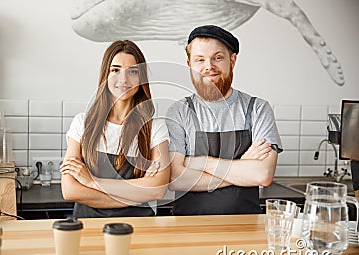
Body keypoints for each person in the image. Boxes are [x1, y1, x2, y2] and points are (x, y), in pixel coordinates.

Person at [166, 25, 283, 215]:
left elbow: (263, 175)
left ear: (232, 61)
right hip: (188, 228)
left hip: (245, 227)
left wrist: (200, 163)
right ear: (189, 64)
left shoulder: (258, 109)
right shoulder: (179, 112)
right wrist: (243, 166)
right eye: (200, 59)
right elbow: (175, 179)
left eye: (217, 58)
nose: (209, 66)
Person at [60, 40, 170, 218]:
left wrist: (92, 182)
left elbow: (158, 190)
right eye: (115, 70)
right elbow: (70, 191)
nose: (123, 79)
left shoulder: (155, 128)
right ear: (105, 75)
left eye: (132, 71)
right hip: (88, 228)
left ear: (141, 78)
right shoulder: (82, 123)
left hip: (140, 231)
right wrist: (138, 196)